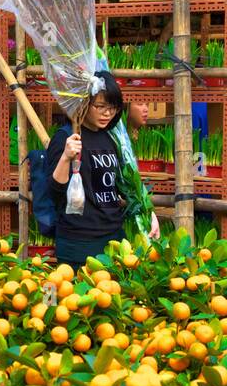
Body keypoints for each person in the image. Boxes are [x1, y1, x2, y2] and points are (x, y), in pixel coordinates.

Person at [45, 73, 157, 271]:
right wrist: (65, 157)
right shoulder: (67, 137)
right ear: (84, 103)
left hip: (113, 236)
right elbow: (54, 193)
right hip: (78, 241)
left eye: (113, 108)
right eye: (100, 107)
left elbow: (122, 187)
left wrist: (147, 211)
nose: (107, 113)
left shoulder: (110, 138)